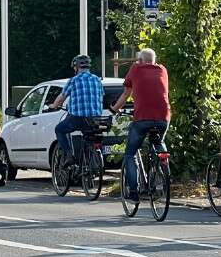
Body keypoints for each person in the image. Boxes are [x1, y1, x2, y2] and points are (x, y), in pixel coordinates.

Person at [111, 48, 170, 203]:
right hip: (163, 118)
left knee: (130, 154)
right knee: (159, 142)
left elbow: (126, 93)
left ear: (140, 61)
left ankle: (134, 192)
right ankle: (162, 169)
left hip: (143, 118)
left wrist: (114, 109)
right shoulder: (163, 70)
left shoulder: (136, 69)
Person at [49, 54, 106, 167]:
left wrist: (53, 105)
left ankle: (69, 155)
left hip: (78, 119)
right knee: (89, 136)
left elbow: (61, 98)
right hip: (95, 120)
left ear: (76, 67)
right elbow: (101, 96)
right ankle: (90, 161)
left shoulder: (74, 80)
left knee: (59, 129)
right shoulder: (97, 80)